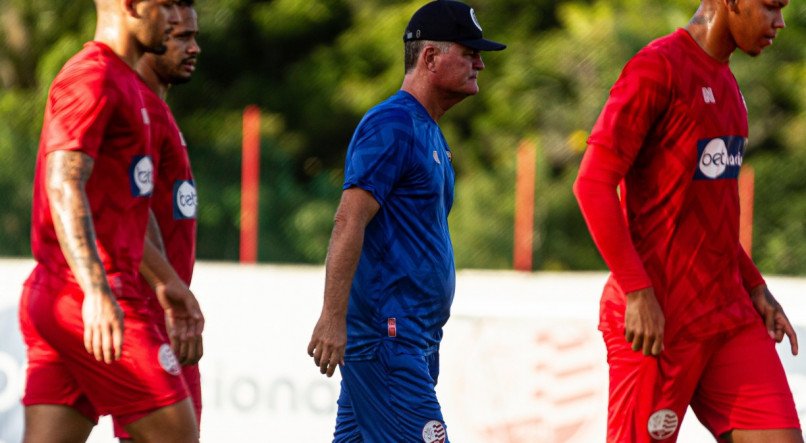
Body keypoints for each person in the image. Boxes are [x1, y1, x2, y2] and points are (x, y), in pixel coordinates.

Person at [573, 0, 801, 441]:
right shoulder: (656, 69)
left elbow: (705, 212)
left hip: (727, 316)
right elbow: (592, 184)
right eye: (771, 6)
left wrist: (754, 285)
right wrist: (638, 294)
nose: (781, 21)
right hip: (658, 323)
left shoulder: (731, 86)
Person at [306, 1, 505, 441]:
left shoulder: (428, 130)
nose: (481, 63)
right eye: (469, 51)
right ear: (430, 58)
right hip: (387, 336)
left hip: (411, 338)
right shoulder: (391, 124)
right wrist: (332, 317)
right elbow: (348, 219)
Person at [19, 1, 199, 442]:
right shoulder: (92, 75)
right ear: (132, 6)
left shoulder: (128, 83)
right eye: (166, 6)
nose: (176, 20)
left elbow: (130, 203)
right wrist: (97, 291)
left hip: (71, 295)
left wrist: (167, 283)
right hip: (93, 295)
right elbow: (62, 184)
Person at [111, 1, 205, 441]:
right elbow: (124, 214)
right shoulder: (137, 108)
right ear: (151, 37)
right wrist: (167, 288)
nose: (194, 48)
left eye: (193, 36)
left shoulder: (159, 111)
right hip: (148, 314)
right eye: (181, 37)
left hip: (168, 313)